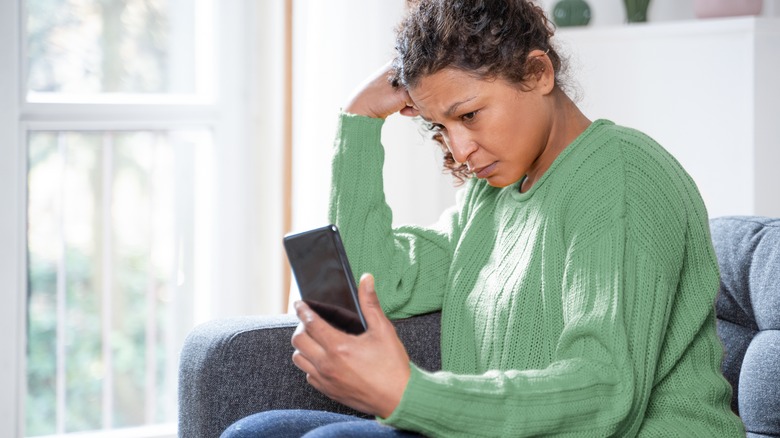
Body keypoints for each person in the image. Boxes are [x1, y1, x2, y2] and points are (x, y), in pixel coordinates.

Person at [221, 0, 746, 436]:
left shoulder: (622, 174)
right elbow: (375, 281)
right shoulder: (491, 197)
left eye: (469, 115)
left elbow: (606, 393)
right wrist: (360, 121)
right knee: (257, 432)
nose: (460, 148)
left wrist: (409, 393)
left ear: (539, 73)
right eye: (439, 126)